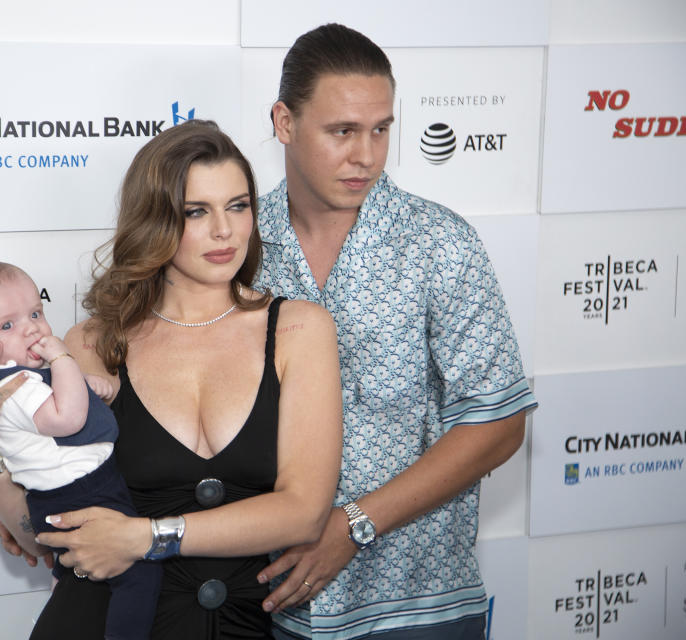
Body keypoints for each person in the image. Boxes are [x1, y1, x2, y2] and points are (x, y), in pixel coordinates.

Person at [0, 120, 344, 639]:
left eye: (238, 205)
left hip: (239, 625)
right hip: (100, 620)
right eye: (195, 212)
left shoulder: (298, 329)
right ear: (152, 221)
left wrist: (147, 536)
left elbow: (303, 515)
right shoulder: (90, 342)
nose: (225, 231)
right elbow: (39, 531)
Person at [252, 23, 538, 640]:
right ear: (283, 122)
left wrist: (354, 524)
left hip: (418, 606)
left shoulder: (440, 242)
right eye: (342, 132)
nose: (366, 155)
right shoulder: (237, 246)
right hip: (262, 602)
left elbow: (498, 422)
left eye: (381, 129)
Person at [0, 260, 161, 640]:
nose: (32, 328)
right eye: (7, 325)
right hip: (81, 495)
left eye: (36, 312)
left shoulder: (19, 380)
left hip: (63, 499)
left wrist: (84, 382)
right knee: (140, 574)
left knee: (75, 571)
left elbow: (60, 398)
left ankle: (63, 584)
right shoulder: (15, 385)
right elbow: (68, 418)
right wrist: (63, 359)